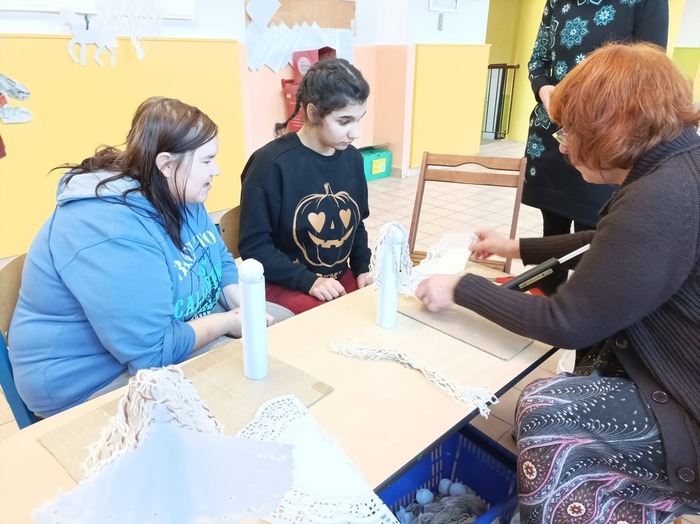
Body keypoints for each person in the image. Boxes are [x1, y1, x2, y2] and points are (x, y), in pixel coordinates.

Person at [417, 43, 700, 523]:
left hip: (687, 411)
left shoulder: (662, 196)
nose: (563, 145)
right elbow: (614, 243)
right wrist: (515, 247)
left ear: (611, 128)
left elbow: (567, 322)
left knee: (544, 409)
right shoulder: (677, 165)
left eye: (570, 131)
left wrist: (462, 287)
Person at [9, 96, 279, 418]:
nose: (216, 170)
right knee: (239, 388)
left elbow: (217, 255)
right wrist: (229, 322)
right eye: (207, 161)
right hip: (87, 381)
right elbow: (154, 352)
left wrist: (240, 301)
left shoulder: (177, 191)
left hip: (165, 334)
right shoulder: (109, 230)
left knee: (281, 328)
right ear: (166, 164)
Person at [522, 0, 668, 291]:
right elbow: (538, 60)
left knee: (595, 231)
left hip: (606, 134)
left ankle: (577, 304)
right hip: (553, 128)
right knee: (553, 225)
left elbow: (648, 71)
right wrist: (544, 89)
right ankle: (547, 298)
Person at [238, 58, 373, 315]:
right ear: (312, 113)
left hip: (334, 280)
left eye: (359, 120)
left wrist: (363, 268)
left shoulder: (353, 159)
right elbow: (254, 248)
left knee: (374, 310)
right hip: (283, 282)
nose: (355, 133)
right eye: (344, 121)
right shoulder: (270, 165)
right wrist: (310, 281)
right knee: (331, 323)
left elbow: (356, 227)